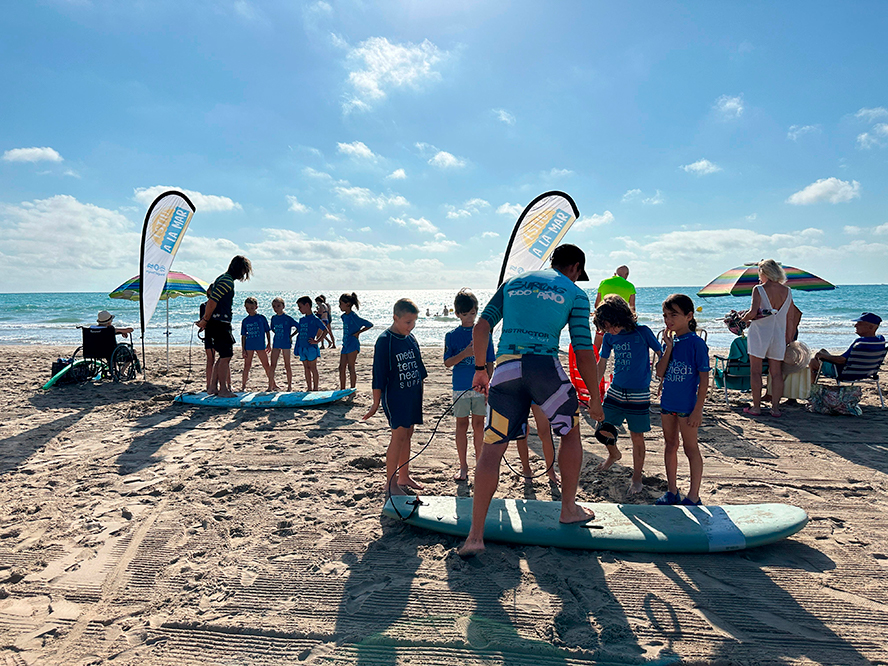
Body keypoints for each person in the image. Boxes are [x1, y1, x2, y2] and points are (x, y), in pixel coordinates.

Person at [458, 244, 605, 558]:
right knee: (570, 432)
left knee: (491, 449)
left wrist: (481, 370)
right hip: (544, 370)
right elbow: (582, 350)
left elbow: (483, 326)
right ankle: (568, 508)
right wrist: (594, 397)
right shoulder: (575, 293)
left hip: (506, 371)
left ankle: (474, 536)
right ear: (576, 268)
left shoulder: (512, 283)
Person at [592, 294, 662, 494]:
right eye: (605, 327)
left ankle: (637, 477)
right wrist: (595, 393)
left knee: (637, 436)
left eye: (611, 325)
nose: (610, 330)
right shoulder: (609, 337)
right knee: (601, 426)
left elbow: (661, 355)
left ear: (622, 317)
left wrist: (663, 380)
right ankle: (614, 454)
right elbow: (602, 362)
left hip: (639, 393)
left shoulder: (643, 332)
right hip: (615, 390)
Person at [364, 299, 428, 496]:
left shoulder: (411, 339)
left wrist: (419, 395)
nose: (412, 326)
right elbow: (379, 376)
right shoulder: (385, 341)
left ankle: (404, 475)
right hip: (395, 397)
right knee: (398, 437)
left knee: (408, 435)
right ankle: (390, 483)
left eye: (414, 321)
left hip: (412, 395)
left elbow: (419, 369)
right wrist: (375, 403)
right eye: (408, 322)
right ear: (395, 318)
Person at [655, 294, 710, 506]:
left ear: (688, 316)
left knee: (690, 448)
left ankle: (693, 495)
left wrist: (698, 410)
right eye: (665, 315)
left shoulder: (696, 343)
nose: (668, 320)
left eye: (673, 315)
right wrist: (668, 348)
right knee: (670, 445)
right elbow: (660, 372)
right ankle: (672, 491)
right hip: (668, 404)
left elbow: (704, 379)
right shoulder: (672, 341)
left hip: (688, 406)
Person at [444, 289, 495, 482]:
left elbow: (490, 361)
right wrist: (465, 354)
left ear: (477, 311)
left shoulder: (484, 333)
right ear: (457, 314)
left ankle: (480, 465)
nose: (469, 318)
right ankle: (463, 466)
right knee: (462, 425)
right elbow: (447, 362)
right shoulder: (452, 335)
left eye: (472, 314)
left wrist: (490, 384)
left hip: (481, 387)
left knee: (479, 426)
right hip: (460, 387)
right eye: (465, 314)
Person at [740, 259, 792, 417]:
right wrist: (788, 336)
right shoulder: (787, 291)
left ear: (764, 272)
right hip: (778, 333)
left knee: (755, 371)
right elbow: (789, 316)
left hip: (760, 332)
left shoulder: (759, 289)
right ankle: (775, 408)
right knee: (776, 372)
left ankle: (756, 407)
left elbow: (753, 312)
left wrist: (741, 319)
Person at [196, 255, 252, 398]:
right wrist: (205, 320)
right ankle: (223, 390)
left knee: (222, 356)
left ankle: (213, 388)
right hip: (219, 323)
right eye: (244, 272)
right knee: (226, 355)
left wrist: (206, 321)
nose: (243, 275)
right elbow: (212, 301)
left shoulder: (222, 278)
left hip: (216, 323)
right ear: (239, 269)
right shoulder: (227, 281)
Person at [809, 312, 885, 380]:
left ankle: (810, 388)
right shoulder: (880, 340)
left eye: (859, 323)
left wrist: (823, 357)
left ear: (871, 327)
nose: (855, 325)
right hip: (867, 372)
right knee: (823, 351)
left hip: (845, 373)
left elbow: (841, 360)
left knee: (813, 361)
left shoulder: (860, 343)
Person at [594, 265, 636, 351]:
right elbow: (632, 308)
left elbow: (597, 304)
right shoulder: (630, 286)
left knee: (599, 335)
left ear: (615, 273)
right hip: (620, 321)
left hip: (603, 318)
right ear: (627, 274)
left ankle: (595, 357)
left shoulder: (604, 282)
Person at [339, 293, 374, 390]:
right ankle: (342, 389)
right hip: (345, 344)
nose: (339, 306)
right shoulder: (343, 317)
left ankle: (352, 389)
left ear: (348, 304)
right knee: (341, 367)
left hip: (353, 344)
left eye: (341, 303)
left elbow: (369, 324)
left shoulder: (354, 317)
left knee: (351, 367)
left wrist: (358, 332)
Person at [295, 296, 329, 392]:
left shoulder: (315, 319)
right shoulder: (302, 320)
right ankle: (309, 387)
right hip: (302, 347)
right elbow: (300, 332)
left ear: (307, 305)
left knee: (313, 367)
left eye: (300, 307)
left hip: (311, 347)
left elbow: (325, 330)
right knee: (306, 368)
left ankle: (315, 388)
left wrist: (317, 341)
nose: (299, 309)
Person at [240, 297, 274, 392]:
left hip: (260, 345)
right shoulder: (245, 321)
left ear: (256, 307)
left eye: (251, 308)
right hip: (249, 346)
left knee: (266, 365)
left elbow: (267, 331)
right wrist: (243, 349)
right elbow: (243, 336)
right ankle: (243, 386)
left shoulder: (261, 318)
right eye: (247, 308)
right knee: (247, 366)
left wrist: (268, 344)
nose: (249, 310)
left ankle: (272, 384)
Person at [270, 297, 297, 391]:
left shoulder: (288, 318)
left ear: (283, 306)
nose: (276, 308)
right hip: (276, 343)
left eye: (278, 306)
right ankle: (270, 386)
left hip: (286, 343)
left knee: (287, 365)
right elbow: (272, 328)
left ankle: (289, 386)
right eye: (274, 306)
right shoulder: (273, 318)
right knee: (273, 365)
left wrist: (291, 336)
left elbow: (298, 327)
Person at [198, 290, 216, 393]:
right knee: (218, 359)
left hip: (212, 333)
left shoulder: (204, 306)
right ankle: (210, 385)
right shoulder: (219, 304)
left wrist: (201, 325)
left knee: (213, 360)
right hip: (212, 334)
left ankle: (209, 385)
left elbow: (203, 322)